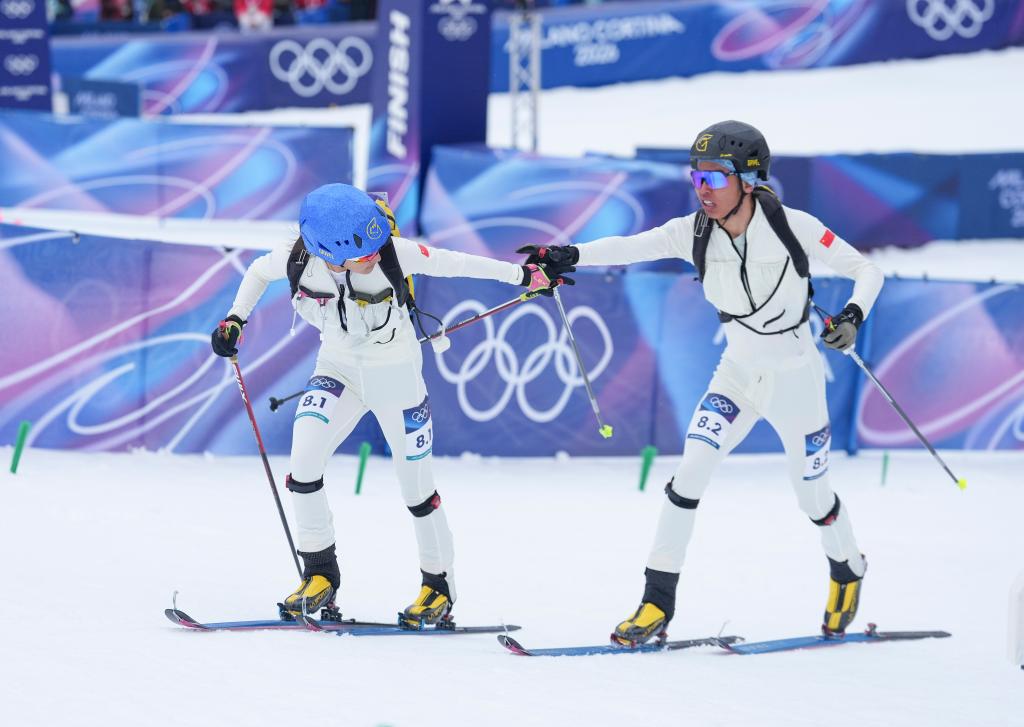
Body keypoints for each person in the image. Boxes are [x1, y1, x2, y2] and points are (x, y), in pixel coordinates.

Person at [520, 120, 884, 645]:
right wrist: (567, 255)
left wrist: (852, 315)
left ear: (749, 180)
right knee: (688, 474)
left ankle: (848, 569)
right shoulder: (692, 232)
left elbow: (868, 271)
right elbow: (630, 247)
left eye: (714, 178)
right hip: (737, 375)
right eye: (696, 177)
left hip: (796, 380)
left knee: (813, 497)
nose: (703, 190)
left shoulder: (793, 226)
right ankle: (656, 603)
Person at [211, 183, 563, 627]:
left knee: (417, 491)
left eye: (377, 244)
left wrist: (526, 277)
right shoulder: (296, 258)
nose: (375, 255)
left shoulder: (395, 253)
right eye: (363, 253)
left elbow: (459, 264)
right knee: (303, 464)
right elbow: (257, 273)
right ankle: (320, 575)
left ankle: (439, 588)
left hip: (396, 379)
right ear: (328, 252)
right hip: (337, 369)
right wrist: (235, 319)